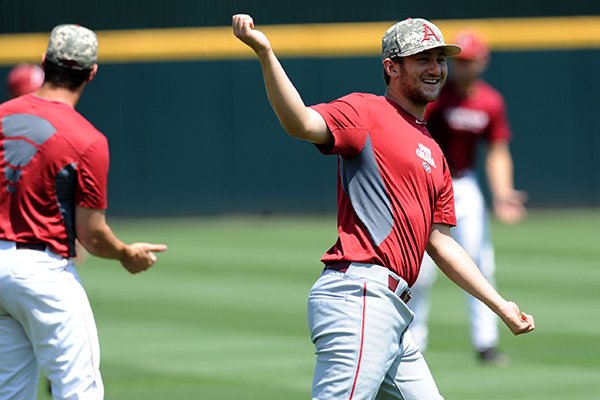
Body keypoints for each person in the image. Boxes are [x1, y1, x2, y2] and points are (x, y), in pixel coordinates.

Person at [232, 14, 534, 399]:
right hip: (359, 297)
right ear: (391, 67)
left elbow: (440, 244)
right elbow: (301, 123)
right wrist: (265, 53)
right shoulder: (365, 112)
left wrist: (499, 305)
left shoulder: (434, 153)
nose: (436, 68)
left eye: (440, 59)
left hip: (392, 315)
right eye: (422, 58)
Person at [0, 24, 167, 400]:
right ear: (92, 73)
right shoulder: (87, 139)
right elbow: (91, 235)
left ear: (45, 62)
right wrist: (125, 253)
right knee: (80, 391)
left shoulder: (2, 116)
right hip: (40, 272)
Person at [408, 30, 527, 365]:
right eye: (457, 61)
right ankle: (414, 344)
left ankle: (485, 343)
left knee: (478, 263)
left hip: (464, 185)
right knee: (420, 271)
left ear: (482, 62)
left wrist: (503, 194)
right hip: (427, 185)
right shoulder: (434, 98)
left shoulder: (489, 101)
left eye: (469, 60)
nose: (461, 67)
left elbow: (497, 151)